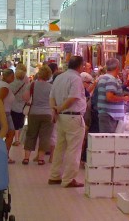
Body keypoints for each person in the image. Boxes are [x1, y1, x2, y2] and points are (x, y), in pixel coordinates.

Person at [48, 55, 87, 189]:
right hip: (73, 117)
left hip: (61, 117)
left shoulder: (59, 77)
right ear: (80, 66)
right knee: (73, 149)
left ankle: (55, 176)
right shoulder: (76, 79)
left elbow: (51, 96)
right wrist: (59, 108)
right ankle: (68, 179)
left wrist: (55, 111)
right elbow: (73, 98)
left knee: (60, 147)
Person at [21, 64, 54, 165]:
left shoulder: (32, 84)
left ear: (39, 74)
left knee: (31, 135)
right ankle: (41, 159)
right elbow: (54, 101)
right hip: (47, 114)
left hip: (34, 112)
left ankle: (26, 158)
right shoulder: (51, 87)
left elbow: (25, 98)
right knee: (45, 136)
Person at [94, 57, 129, 134]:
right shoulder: (111, 79)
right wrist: (124, 98)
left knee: (106, 139)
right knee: (109, 140)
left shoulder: (104, 78)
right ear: (117, 67)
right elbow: (109, 97)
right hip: (110, 116)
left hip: (106, 115)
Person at [0, 68, 17, 161]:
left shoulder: (1, 85)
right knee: (10, 133)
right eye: (13, 76)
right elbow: (0, 100)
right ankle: (4, 154)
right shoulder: (5, 87)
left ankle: (3, 153)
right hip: (4, 113)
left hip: (4, 112)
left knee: (7, 133)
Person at [8, 65, 29, 147]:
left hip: (13, 105)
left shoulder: (11, 84)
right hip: (22, 106)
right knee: (20, 123)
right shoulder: (26, 85)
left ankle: (15, 139)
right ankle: (19, 139)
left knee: (14, 123)